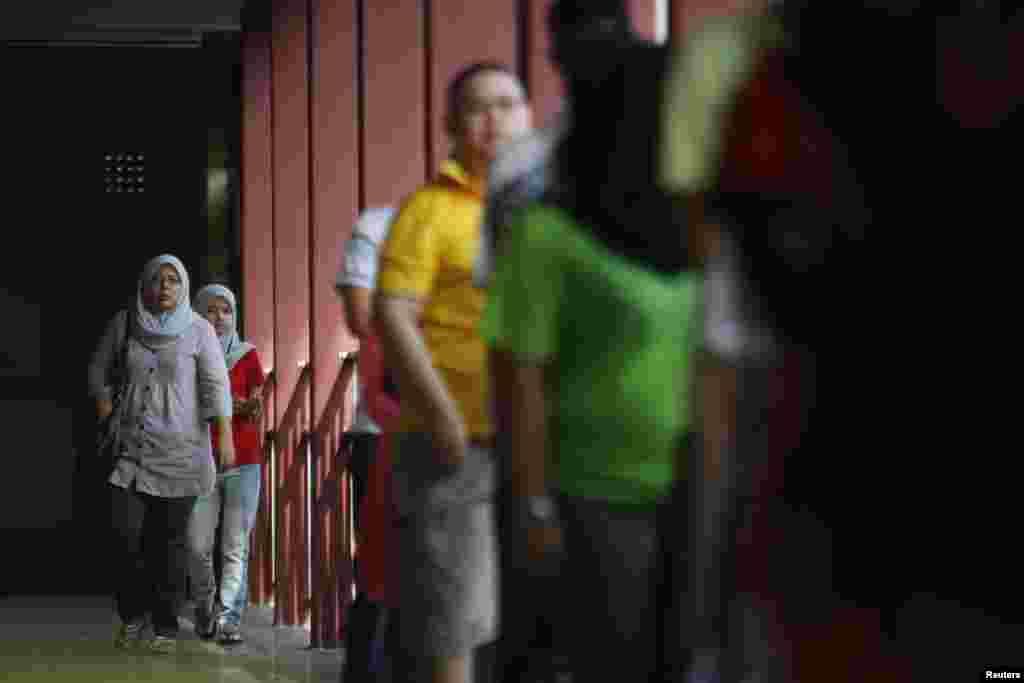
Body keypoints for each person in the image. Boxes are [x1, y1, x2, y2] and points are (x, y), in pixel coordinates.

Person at [482, 30, 701, 683]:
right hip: (589, 501)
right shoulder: (547, 234)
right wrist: (534, 506)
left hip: (691, 496)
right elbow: (519, 378)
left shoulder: (695, 228)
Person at [374, 61, 531, 683]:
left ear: (528, 116)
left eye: (507, 103)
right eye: (477, 106)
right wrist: (441, 418)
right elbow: (392, 314)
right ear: (450, 124)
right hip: (457, 442)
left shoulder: (545, 211)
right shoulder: (429, 210)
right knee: (454, 620)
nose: (494, 119)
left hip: (539, 442)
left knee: (531, 621)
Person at [88, 254, 234, 654]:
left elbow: (217, 386)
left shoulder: (199, 330)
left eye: (172, 280)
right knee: (126, 537)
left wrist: (224, 436)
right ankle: (134, 616)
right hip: (131, 451)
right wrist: (106, 413)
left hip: (180, 453)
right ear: (145, 285)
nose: (165, 287)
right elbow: (97, 371)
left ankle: (165, 627)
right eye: (157, 279)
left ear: (183, 286)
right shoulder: (126, 323)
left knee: (168, 546)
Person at [335, 206, 402, 681]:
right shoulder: (384, 226)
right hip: (383, 433)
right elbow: (361, 316)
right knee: (379, 572)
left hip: (467, 432)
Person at [187, 283, 266, 646]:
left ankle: (229, 619)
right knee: (197, 546)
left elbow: (255, 405)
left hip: (244, 461)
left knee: (235, 546)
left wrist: (229, 403)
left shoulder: (248, 356)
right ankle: (205, 609)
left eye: (226, 310)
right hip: (199, 460)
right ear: (197, 313)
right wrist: (233, 404)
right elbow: (191, 403)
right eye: (210, 310)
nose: (218, 318)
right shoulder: (188, 353)